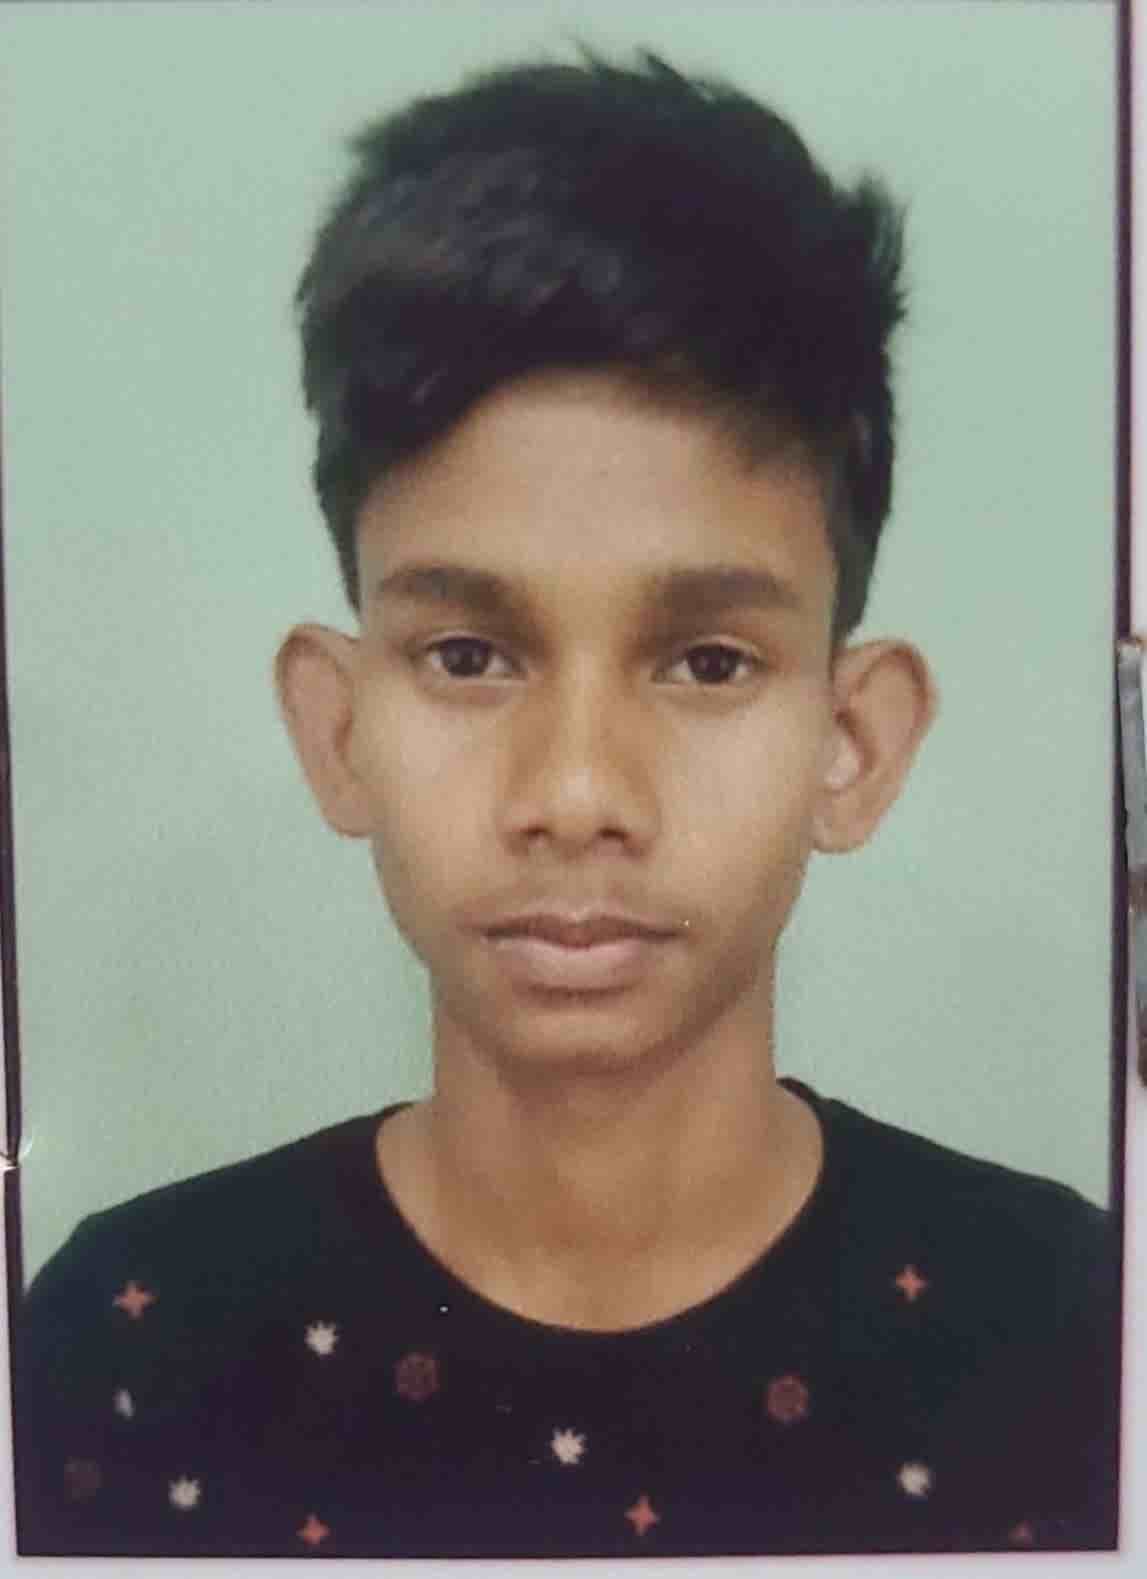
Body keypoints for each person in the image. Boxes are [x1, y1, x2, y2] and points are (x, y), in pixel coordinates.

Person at [12, 45, 1119, 1558]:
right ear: (339, 729)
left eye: (709, 661)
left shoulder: (1076, 1340)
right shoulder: (119, 1358)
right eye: (469, 656)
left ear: (852, 745)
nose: (579, 793)